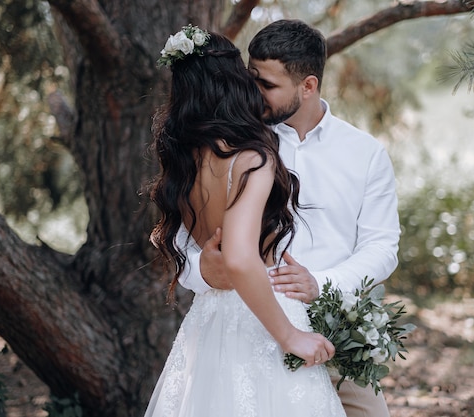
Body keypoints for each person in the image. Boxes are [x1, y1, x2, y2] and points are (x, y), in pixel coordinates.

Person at [177, 20, 401, 417]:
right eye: (252, 78)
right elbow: (183, 238)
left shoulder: (365, 153)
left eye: (267, 85)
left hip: (334, 332)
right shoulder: (236, 145)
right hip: (249, 333)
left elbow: (382, 247)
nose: (253, 92)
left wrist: (322, 284)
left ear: (308, 86)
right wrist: (203, 270)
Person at [144, 26, 346, 417]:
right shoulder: (251, 157)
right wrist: (290, 337)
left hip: (209, 321)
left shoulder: (185, 159)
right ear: (232, 81)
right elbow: (238, 258)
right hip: (264, 319)